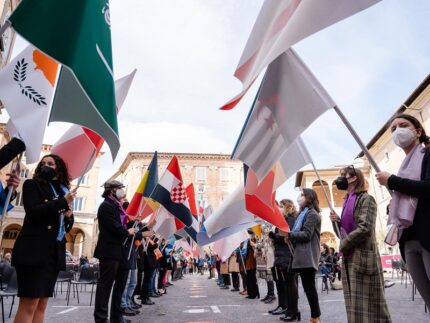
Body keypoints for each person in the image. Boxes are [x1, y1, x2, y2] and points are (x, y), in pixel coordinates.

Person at [12, 154, 76, 323]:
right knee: (29, 303)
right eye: (43, 163)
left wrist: (68, 216)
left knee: (42, 304)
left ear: (59, 168)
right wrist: (62, 203)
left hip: (53, 252)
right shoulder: (32, 185)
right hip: (33, 251)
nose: (46, 165)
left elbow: (65, 226)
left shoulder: (63, 191)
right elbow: (34, 212)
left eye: (51, 163)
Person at [376, 113, 430, 309]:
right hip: (408, 239)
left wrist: (391, 181)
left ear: (417, 131)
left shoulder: (428, 155)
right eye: (393, 129)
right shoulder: (404, 167)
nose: (397, 130)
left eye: (403, 125)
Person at [331, 166, 391, 323]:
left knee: (372, 305)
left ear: (354, 178)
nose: (341, 178)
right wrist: (336, 222)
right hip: (349, 259)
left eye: (344, 175)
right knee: (354, 306)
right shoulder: (347, 201)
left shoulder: (366, 199)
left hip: (364, 258)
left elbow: (365, 228)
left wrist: (344, 244)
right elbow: (343, 232)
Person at [93, 180, 137, 323]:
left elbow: (124, 223)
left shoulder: (119, 207)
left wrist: (134, 222)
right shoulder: (106, 206)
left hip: (121, 252)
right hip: (109, 251)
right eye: (119, 188)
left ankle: (116, 317)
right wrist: (127, 231)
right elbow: (114, 227)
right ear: (111, 190)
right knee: (105, 286)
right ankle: (101, 318)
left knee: (120, 286)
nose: (122, 191)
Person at [286, 189, 321, 323]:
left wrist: (290, 235)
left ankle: (315, 316)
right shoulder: (302, 214)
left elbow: (306, 235)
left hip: (307, 255)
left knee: (309, 288)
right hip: (299, 255)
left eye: (302, 195)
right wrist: (289, 236)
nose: (299, 197)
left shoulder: (312, 214)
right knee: (291, 281)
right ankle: (293, 311)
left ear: (309, 198)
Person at [269, 199, 298, 321]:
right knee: (283, 283)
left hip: (287, 255)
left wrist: (273, 236)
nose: (279, 208)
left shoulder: (290, 220)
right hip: (281, 255)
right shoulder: (282, 220)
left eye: (281, 206)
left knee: (289, 285)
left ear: (287, 207)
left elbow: (286, 236)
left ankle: (291, 310)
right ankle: (284, 307)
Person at [244, 231, 259, 299]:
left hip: (252, 262)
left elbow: (256, 248)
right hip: (248, 261)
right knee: (249, 277)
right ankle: (250, 293)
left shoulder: (254, 239)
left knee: (252, 278)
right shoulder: (247, 241)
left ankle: (254, 293)